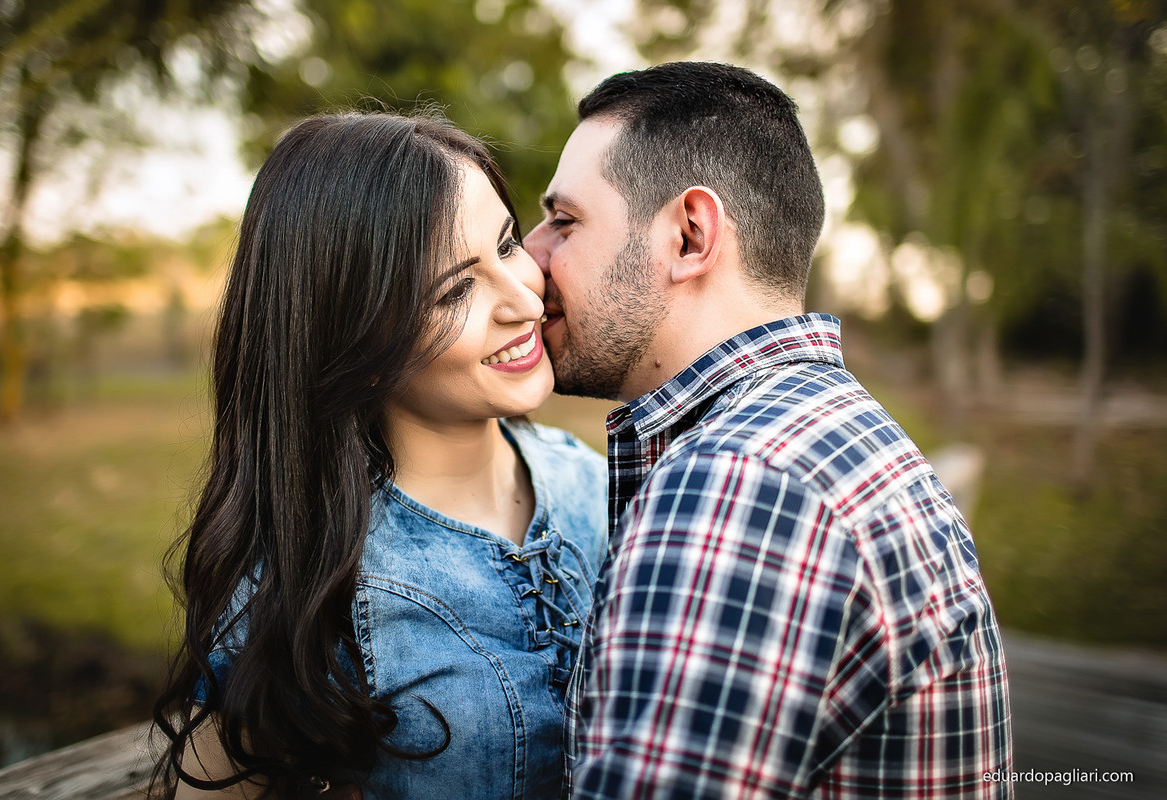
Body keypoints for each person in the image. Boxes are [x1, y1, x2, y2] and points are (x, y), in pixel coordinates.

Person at [522, 61, 1013, 798]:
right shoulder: (822, 429)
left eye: (564, 220)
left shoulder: (739, 484)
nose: (531, 256)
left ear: (690, 234)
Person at [152, 110, 606, 800]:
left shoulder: (600, 483)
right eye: (456, 288)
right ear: (354, 339)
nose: (523, 299)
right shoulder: (306, 579)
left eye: (508, 245)